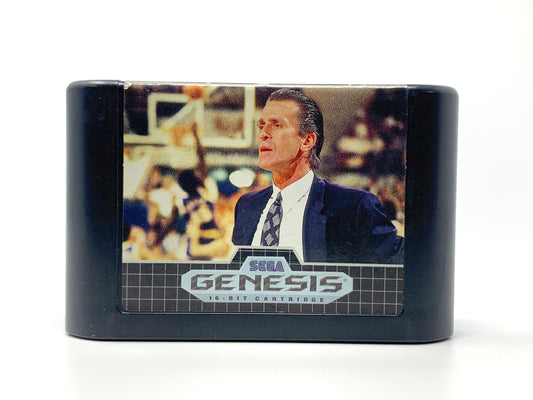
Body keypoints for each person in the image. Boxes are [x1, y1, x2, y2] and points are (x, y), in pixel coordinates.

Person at [231, 88, 403, 264]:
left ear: (307, 141)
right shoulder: (247, 206)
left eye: (277, 125)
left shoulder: (354, 207)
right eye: (261, 126)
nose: (262, 134)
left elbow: (404, 262)